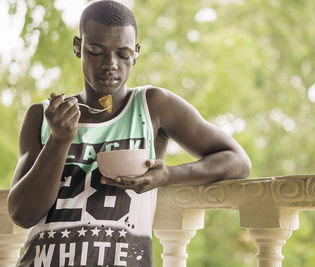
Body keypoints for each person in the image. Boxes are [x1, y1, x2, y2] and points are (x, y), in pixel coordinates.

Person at [7, 1, 251, 266]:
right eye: (96, 51)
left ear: (136, 53)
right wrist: (59, 140)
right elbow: (22, 214)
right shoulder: (44, 116)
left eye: (123, 54)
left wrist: (168, 175)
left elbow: (237, 161)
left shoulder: (153, 106)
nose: (110, 64)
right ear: (78, 47)